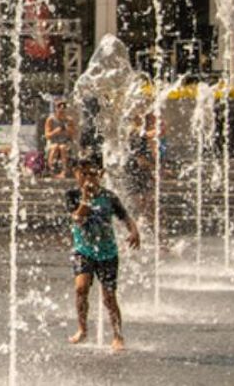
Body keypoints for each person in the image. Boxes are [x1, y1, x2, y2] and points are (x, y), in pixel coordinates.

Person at [66, 155, 141, 353]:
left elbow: (125, 217)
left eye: (93, 174)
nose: (88, 178)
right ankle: (82, 329)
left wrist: (134, 231)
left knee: (109, 297)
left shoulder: (109, 197)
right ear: (76, 174)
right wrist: (86, 199)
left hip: (107, 252)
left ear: (101, 174)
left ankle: (118, 335)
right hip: (83, 250)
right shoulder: (72, 195)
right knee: (81, 288)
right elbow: (77, 219)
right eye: (83, 174)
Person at [44, 97, 76, 178]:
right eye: (59, 106)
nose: (61, 109)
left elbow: (73, 135)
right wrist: (55, 132)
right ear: (55, 108)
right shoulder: (50, 120)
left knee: (63, 147)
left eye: (64, 106)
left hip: (65, 142)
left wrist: (67, 130)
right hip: (53, 141)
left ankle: (64, 171)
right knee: (55, 147)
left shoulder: (69, 120)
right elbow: (47, 135)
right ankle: (50, 169)